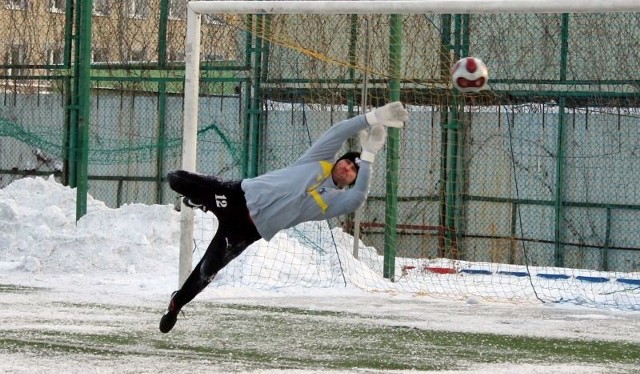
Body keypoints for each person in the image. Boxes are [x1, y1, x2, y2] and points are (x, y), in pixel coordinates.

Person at [160, 101, 409, 333]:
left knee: (206, 271)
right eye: (347, 162)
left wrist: (368, 157)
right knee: (176, 179)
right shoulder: (318, 160)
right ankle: (204, 201)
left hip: (245, 231)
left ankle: (176, 305)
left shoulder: (334, 202)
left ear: (353, 180)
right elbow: (339, 131)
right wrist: (374, 117)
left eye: (354, 170)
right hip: (237, 196)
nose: (347, 168)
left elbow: (358, 199)